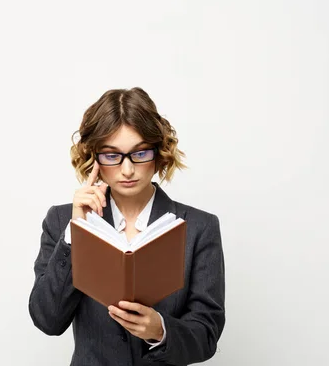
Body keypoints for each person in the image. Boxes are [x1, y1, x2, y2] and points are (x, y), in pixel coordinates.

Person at [28, 87, 225, 365]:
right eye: (112, 155)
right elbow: (47, 320)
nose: (128, 169)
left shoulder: (199, 227)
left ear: (159, 152)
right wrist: (77, 231)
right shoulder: (62, 221)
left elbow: (207, 334)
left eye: (140, 153)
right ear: (94, 158)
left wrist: (160, 330)